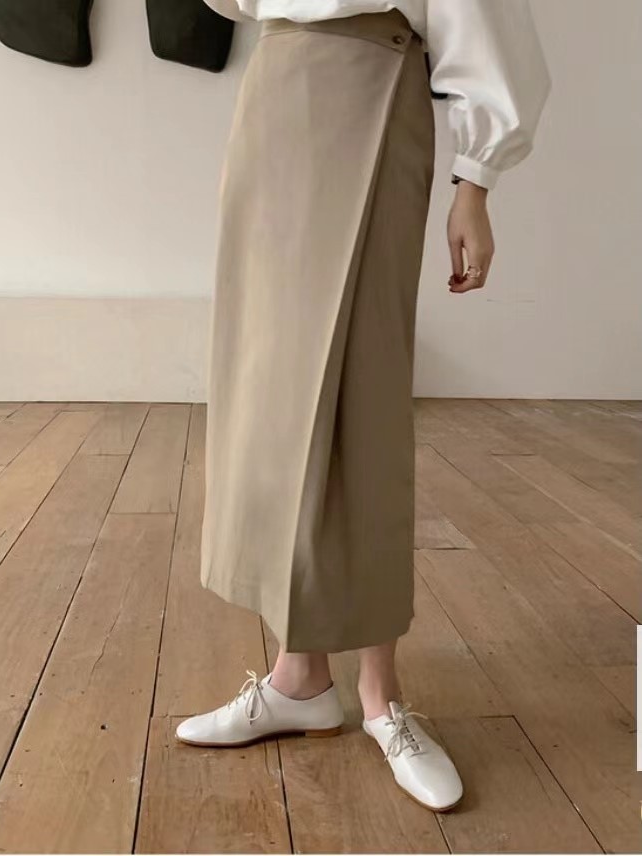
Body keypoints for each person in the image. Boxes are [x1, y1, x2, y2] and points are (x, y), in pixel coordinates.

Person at [176, 0, 550, 812]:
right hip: (274, 84)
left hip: (371, 81)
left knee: (364, 394)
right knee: (270, 391)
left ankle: (381, 697)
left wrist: (475, 181)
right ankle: (299, 679)